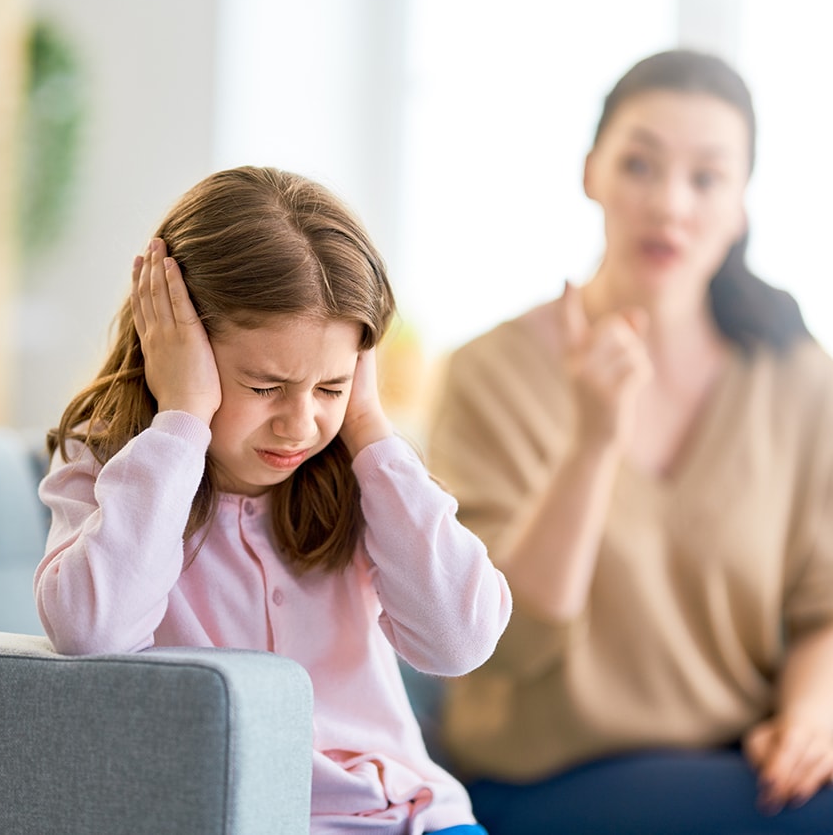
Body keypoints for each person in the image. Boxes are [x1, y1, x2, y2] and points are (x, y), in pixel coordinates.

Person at [426, 50, 833, 834]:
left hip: (731, 739)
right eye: (641, 164)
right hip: (546, 773)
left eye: (707, 177)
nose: (670, 204)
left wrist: (808, 725)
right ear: (593, 173)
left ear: (742, 203)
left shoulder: (796, 376)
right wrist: (593, 441)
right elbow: (502, 644)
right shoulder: (491, 373)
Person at [35, 166, 511, 835]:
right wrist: (181, 421)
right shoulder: (107, 464)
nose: (299, 424)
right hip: (230, 816)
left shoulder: (362, 471)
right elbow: (92, 631)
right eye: (265, 388)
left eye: (331, 388)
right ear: (175, 348)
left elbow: (459, 641)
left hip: (409, 817)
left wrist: (370, 426)